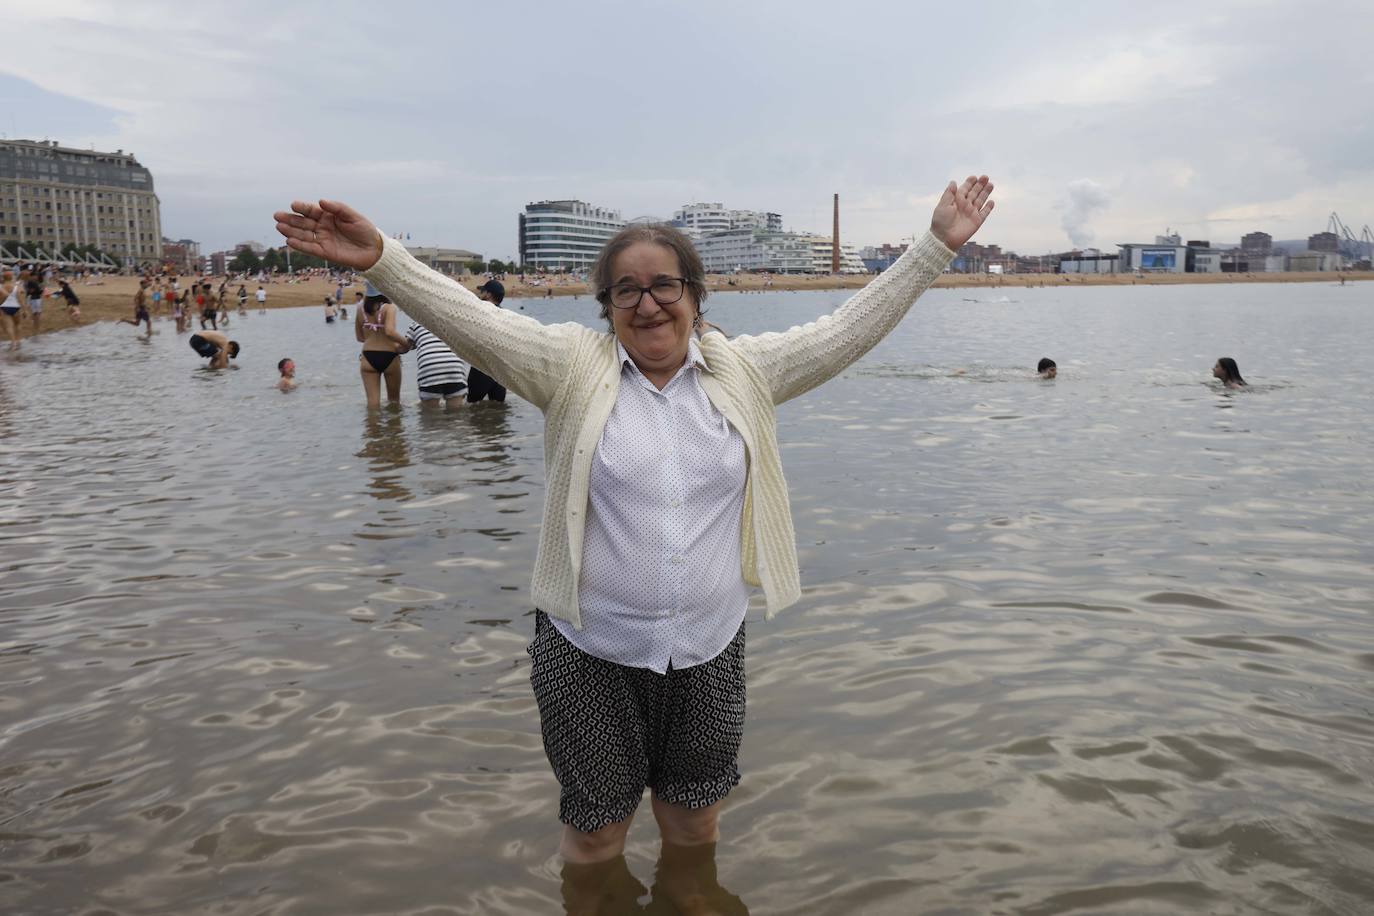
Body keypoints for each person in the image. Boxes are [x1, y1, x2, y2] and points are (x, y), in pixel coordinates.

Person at [273, 176, 994, 870]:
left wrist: (934, 246)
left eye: (664, 286)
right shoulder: (568, 366)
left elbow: (848, 329)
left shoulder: (745, 369)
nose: (648, 305)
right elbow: (473, 321)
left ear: (694, 295)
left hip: (709, 650)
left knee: (695, 825)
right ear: (606, 303)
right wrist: (382, 260)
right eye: (627, 290)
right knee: (594, 837)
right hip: (589, 650)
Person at [355, 281, 410, 407]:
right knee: (394, 402)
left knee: (372, 405)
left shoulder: (359, 309)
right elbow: (389, 332)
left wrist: (372, 336)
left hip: (368, 356)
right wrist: (406, 344)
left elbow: (359, 337)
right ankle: (393, 426)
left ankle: (372, 426)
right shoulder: (389, 308)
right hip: (389, 355)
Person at [405, 318, 469, 408]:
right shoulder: (456, 321)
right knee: (456, 414)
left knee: (430, 414)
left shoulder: (417, 323)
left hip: (430, 367)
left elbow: (404, 347)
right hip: (454, 366)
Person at [468, 280, 509, 403]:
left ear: (489, 295)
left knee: (473, 410)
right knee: (499, 411)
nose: (480, 294)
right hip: (501, 372)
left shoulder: (480, 313)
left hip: (481, 369)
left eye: (482, 291)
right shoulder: (507, 316)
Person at [1, 269, 21, 349]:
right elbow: (21, 298)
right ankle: (18, 340)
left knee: (9, 326)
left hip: (4, 306)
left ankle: (13, 343)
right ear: (11, 277)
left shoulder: (1, 286)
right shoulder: (16, 286)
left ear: (3, 278)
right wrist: (25, 309)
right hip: (16, 306)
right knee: (18, 324)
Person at [24, 268, 44, 334]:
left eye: (37, 275)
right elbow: (31, 291)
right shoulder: (31, 282)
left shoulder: (34, 281)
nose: (37, 277)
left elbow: (30, 291)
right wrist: (41, 290)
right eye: (36, 275)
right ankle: (36, 327)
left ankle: (36, 326)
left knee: (36, 313)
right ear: (32, 276)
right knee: (36, 313)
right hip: (34, 299)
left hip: (36, 298)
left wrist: (40, 290)